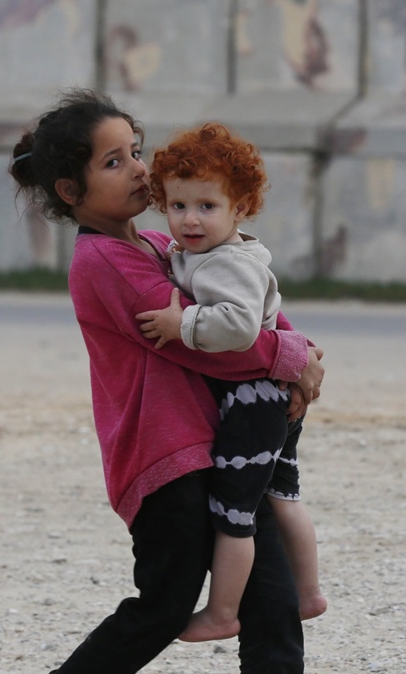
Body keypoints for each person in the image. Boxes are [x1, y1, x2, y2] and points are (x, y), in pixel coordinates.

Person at [8, 88, 324, 674]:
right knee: (163, 607)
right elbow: (206, 347)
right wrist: (288, 359)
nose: (138, 169)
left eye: (135, 151)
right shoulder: (105, 262)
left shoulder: (163, 245)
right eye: (113, 162)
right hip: (166, 459)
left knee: (269, 593)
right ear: (71, 192)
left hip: (219, 443)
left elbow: (245, 300)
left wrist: (295, 347)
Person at [136, 123, 327, 643]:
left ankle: (223, 613)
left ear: (240, 208)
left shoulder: (226, 264)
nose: (190, 219)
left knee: (234, 515)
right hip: (270, 397)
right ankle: (308, 592)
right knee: (283, 494)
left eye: (207, 206)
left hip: (251, 401)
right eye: (178, 206)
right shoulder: (219, 254)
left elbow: (240, 327)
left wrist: (182, 324)